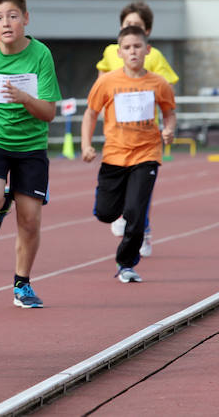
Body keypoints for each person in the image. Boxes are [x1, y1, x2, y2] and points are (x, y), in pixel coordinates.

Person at [0, 0, 62, 308]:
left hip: (31, 145)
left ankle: (22, 284)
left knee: (30, 220)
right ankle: (0, 200)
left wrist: (25, 98)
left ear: (25, 18)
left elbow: (49, 112)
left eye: (12, 16)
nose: (6, 23)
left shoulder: (40, 55)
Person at [81, 25, 176, 282]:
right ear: (119, 52)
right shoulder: (107, 82)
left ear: (147, 50)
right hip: (114, 156)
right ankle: (118, 205)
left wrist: (168, 130)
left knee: (136, 212)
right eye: (127, 47)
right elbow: (91, 113)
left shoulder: (158, 83)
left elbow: (169, 112)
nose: (132, 51)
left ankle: (126, 264)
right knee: (106, 213)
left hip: (147, 155)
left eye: (137, 46)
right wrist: (86, 145)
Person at [95, 1, 178, 255]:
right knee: (116, 197)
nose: (131, 29)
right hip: (117, 134)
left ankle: (144, 229)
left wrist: (167, 125)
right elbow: (101, 82)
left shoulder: (154, 57)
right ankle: (124, 214)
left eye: (137, 26)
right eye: (127, 25)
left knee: (140, 193)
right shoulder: (112, 51)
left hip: (145, 135)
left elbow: (168, 87)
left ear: (147, 33)